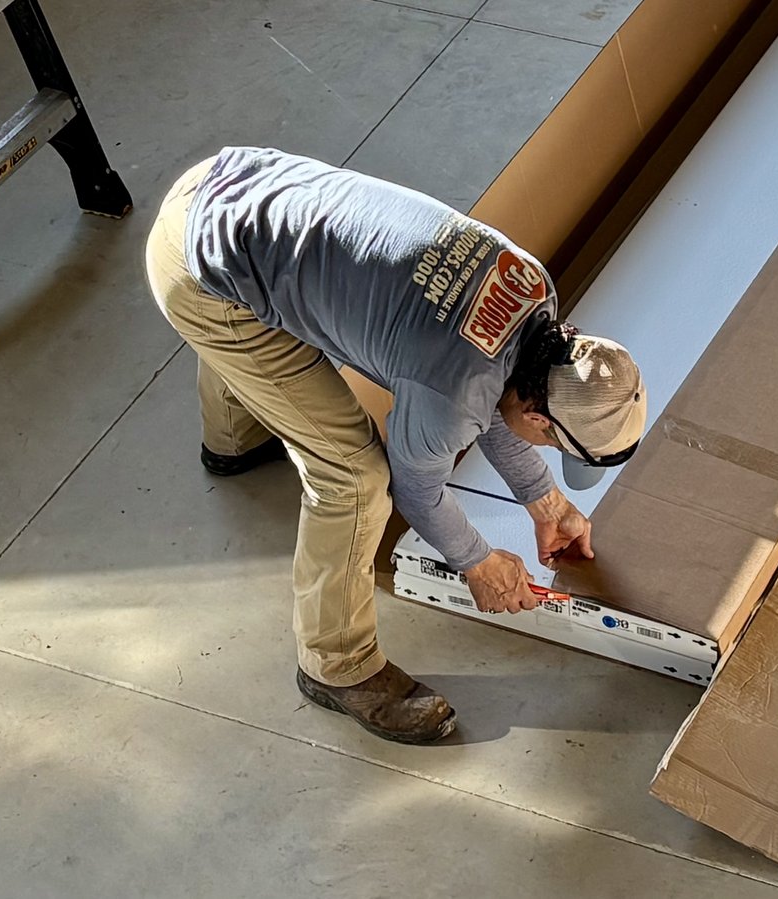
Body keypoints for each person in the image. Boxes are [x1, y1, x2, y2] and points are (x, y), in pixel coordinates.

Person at [146, 147, 648, 744]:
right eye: (554, 447)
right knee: (353, 479)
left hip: (235, 186)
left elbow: (492, 392)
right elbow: (417, 487)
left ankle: (232, 439)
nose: (547, 455)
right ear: (540, 416)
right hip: (201, 271)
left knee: (275, 318)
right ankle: (337, 666)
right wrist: (477, 561)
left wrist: (546, 502)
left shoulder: (531, 288)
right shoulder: (451, 393)